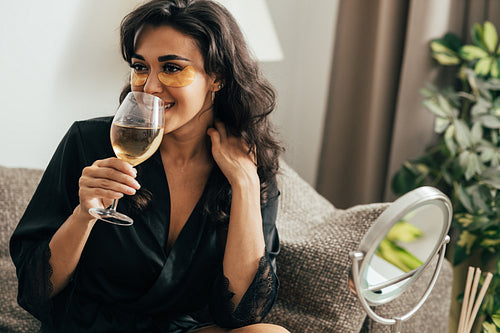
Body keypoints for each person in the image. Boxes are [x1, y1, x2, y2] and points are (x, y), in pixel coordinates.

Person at [9, 0, 288, 332]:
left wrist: (244, 183)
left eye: (171, 67)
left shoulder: (247, 164)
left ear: (218, 78)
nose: (149, 86)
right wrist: (84, 215)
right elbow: (34, 291)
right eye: (141, 67)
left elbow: (242, 313)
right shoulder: (88, 142)